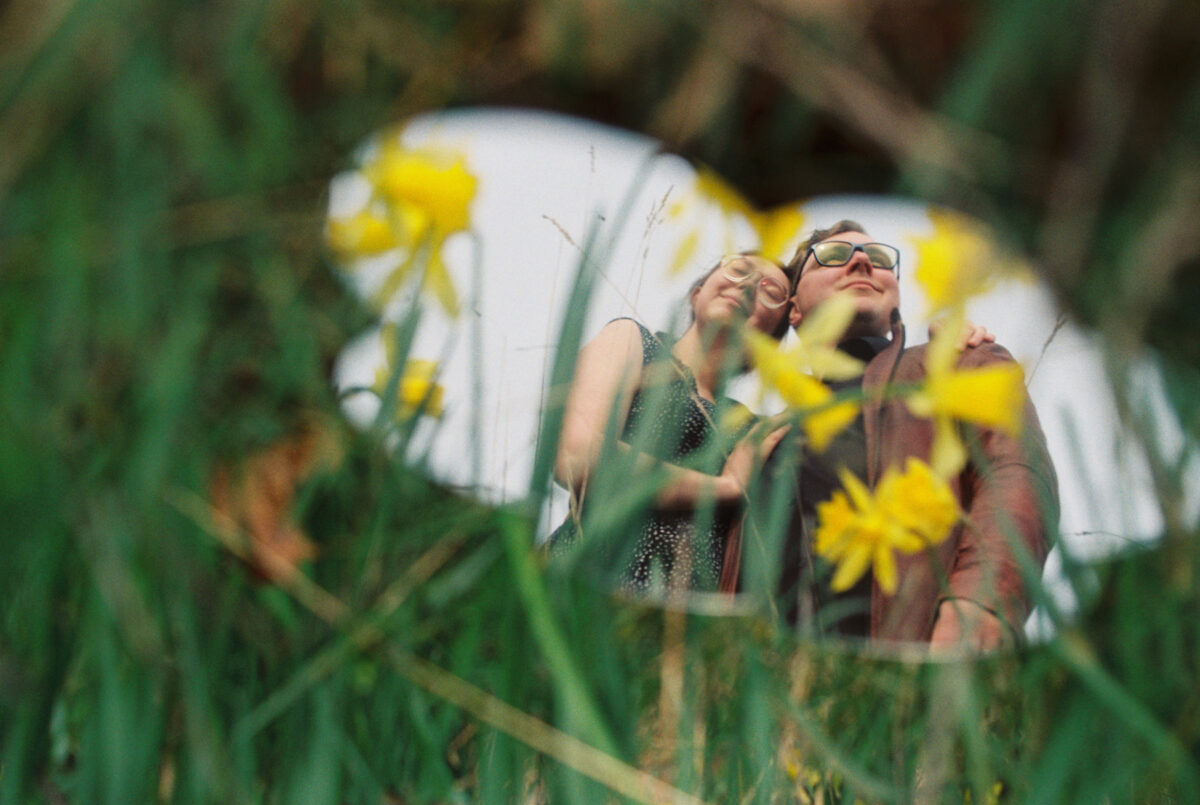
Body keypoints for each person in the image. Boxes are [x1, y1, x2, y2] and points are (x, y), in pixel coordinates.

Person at [722, 221, 1058, 650]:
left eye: (878, 259)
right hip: (763, 688)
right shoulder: (761, 433)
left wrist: (981, 605)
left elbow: (1017, 473)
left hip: (908, 671)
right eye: (833, 256)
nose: (861, 261)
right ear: (795, 310)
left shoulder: (956, 364)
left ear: (895, 299)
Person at [550, 253, 795, 592]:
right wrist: (724, 487)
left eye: (772, 291)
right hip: (586, 585)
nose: (750, 284)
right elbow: (575, 457)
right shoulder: (634, 342)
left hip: (687, 626)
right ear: (698, 293)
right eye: (739, 269)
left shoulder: (754, 429)